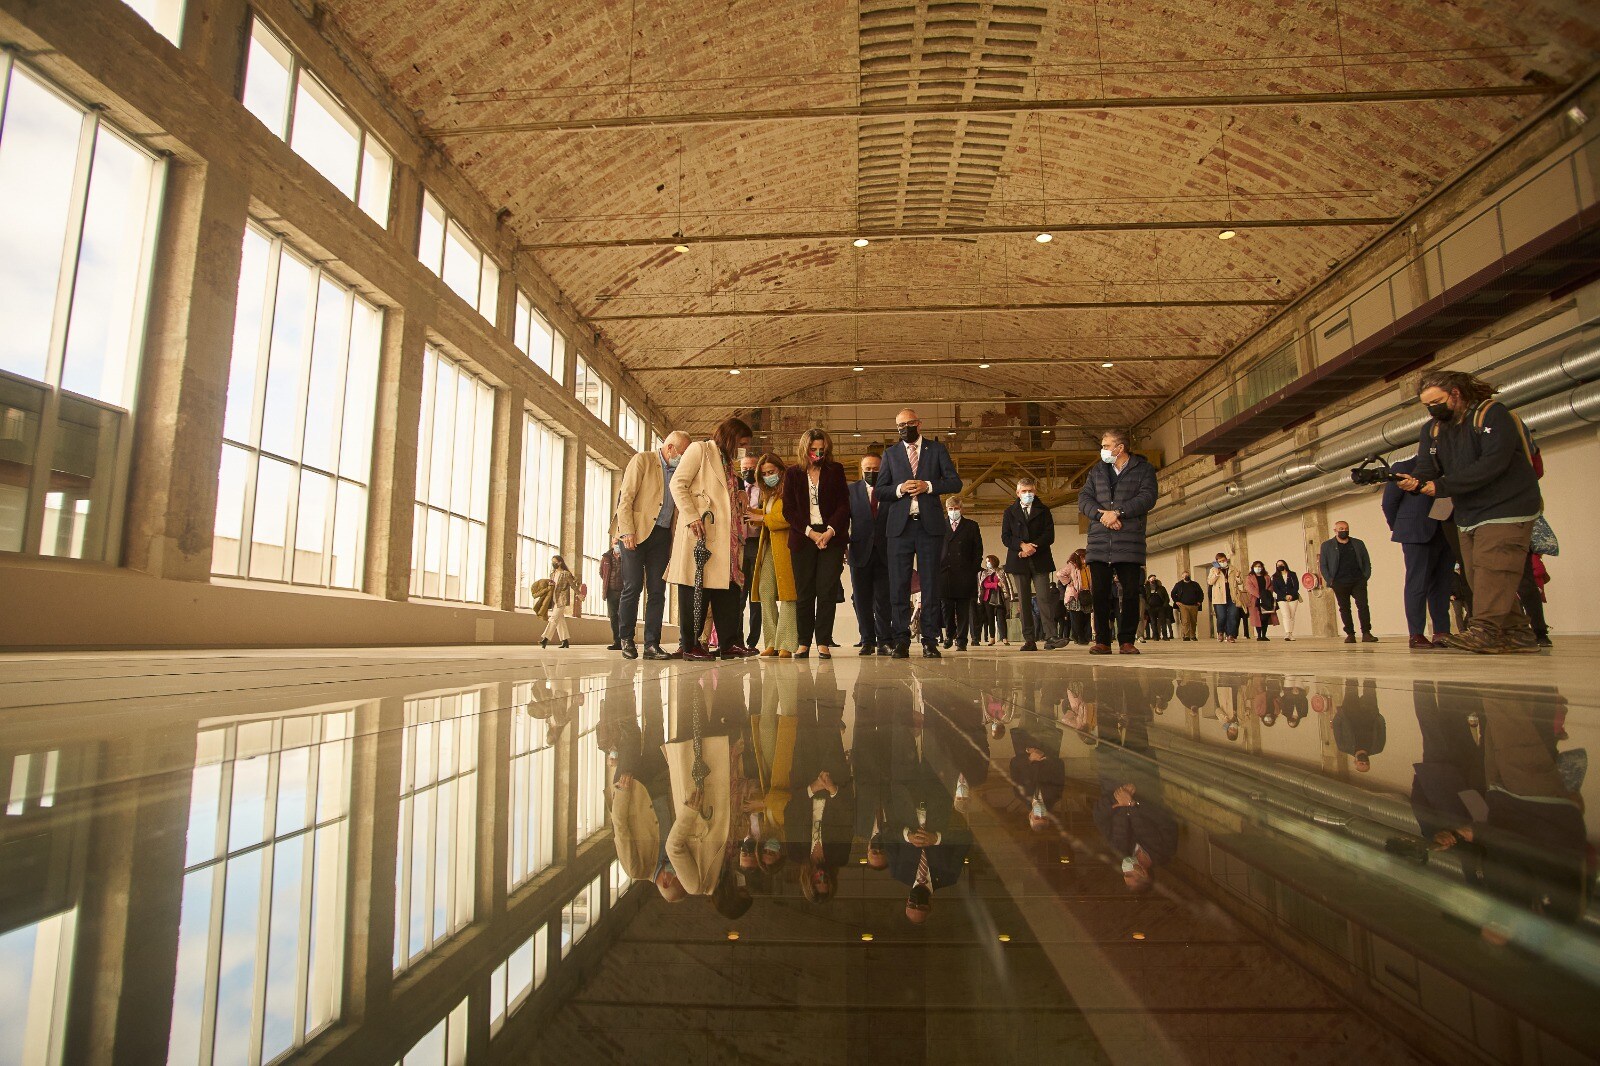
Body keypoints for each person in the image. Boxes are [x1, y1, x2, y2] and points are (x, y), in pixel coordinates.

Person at [1398, 370, 1543, 654]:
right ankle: (1516, 633)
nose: (1432, 409)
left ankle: (1485, 631)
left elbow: (1493, 463)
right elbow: (1428, 468)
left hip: (1507, 506)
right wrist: (1416, 483)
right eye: (1427, 405)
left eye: (1437, 401)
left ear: (1456, 393)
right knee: (1478, 575)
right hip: (1468, 511)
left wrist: (1442, 485)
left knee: (1494, 568)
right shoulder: (1433, 430)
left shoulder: (1492, 414)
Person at [667, 417, 758, 662]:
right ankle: (690, 644)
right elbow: (678, 484)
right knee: (694, 589)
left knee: (726, 591)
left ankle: (729, 643)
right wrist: (691, 515)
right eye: (742, 442)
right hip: (701, 533)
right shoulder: (700, 449)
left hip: (724, 538)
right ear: (730, 437)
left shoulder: (728, 463)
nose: (745, 449)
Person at [875, 408, 963, 659]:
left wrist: (929, 486)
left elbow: (954, 482)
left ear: (919, 424)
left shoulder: (936, 450)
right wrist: (900, 488)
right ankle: (901, 638)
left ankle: (930, 640)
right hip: (899, 529)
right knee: (899, 584)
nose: (904, 428)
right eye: (899, 425)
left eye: (908, 424)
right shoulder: (890, 454)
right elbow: (880, 490)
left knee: (931, 584)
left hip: (929, 526)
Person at [1078, 429, 1160, 655]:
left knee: (1131, 592)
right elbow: (1084, 499)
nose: (1102, 450)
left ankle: (1127, 640)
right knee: (1100, 594)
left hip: (1129, 540)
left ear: (1120, 448)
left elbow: (1147, 497)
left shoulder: (1143, 470)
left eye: (1106, 445)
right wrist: (1102, 515)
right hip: (1099, 541)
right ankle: (1103, 640)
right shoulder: (1097, 471)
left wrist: (1119, 512)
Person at [613, 430, 690, 660]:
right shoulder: (642, 460)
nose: (683, 459)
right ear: (670, 449)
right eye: (682, 453)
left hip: (662, 536)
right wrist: (626, 530)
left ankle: (651, 644)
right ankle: (625, 639)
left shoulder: (679, 472)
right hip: (635, 533)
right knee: (633, 587)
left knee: (658, 590)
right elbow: (625, 497)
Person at [782, 429, 850, 660]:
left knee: (826, 590)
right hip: (803, 537)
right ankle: (803, 642)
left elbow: (844, 506)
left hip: (832, 536)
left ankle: (823, 642)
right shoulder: (792, 473)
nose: (818, 453)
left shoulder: (836, 470)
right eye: (813, 450)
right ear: (805, 449)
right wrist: (811, 533)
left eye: (822, 450)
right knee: (805, 592)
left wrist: (829, 532)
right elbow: (788, 509)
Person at [1383, 453, 1455, 649]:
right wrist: (1400, 527)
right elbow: (1389, 503)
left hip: (1445, 530)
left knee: (1442, 584)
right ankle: (1416, 634)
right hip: (1415, 533)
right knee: (1417, 583)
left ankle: (1442, 632)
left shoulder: (1449, 467)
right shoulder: (1404, 466)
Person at [1001, 477, 1062, 652]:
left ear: (1035, 492)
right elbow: (1006, 537)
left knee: (1044, 599)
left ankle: (1051, 636)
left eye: (1030, 491)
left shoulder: (1044, 510)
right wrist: (1021, 545)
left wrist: (1032, 547)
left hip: (1040, 559)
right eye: (1024, 491)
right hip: (1018, 560)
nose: (1028, 494)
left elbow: (1049, 535)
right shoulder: (1009, 512)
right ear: (1018, 493)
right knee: (1024, 601)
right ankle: (1029, 639)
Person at [750, 453, 799, 658]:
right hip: (769, 545)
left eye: (771, 472)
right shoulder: (768, 493)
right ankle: (771, 641)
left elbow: (788, 517)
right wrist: (749, 510)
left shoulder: (791, 489)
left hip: (787, 545)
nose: (769, 476)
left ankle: (786, 643)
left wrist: (762, 516)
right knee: (765, 590)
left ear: (781, 469)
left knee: (788, 594)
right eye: (764, 473)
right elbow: (765, 515)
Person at [847, 453, 892, 656]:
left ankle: (884, 640)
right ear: (861, 469)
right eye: (868, 469)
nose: (871, 472)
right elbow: (843, 522)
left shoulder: (890, 490)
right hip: (859, 552)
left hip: (886, 553)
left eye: (875, 469)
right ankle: (867, 640)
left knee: (884, 599)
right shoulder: (851, 491)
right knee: (861, 599)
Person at [1318, 519, 1377, 643]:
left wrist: (1365, 576)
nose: (1344, 531)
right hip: (1339, 582)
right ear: (1335, 531)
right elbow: (1323, 565)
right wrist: (1330, 580)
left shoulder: (1358, 543)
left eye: (1346, 529)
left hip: (1358, 580)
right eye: (1341, 529)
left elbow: (1366, 561)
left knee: (1363, 606)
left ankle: (1366, 633)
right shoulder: (1327, 545)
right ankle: (1350, 634)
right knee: (1344, 608)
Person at [939, 497, 983, 650]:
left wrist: (974, 568)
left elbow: (978, 550)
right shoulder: (940, 526)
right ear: (946, 509)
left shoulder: (971, 526)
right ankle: (950, 634)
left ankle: (962, 639)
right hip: (945, 573)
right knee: (947, 608)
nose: (953, 512)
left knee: (964, 608)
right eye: (950, 509)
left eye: (956, 508)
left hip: (965, 573)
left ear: (961, 509)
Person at [739, 453, 764, 649]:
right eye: (744, 468)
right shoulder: (736, 489)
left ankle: (752, 642)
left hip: (757, 543)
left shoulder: (764, 490)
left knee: (755, 596)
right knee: (737, 596)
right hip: (738, 545)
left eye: (751, 468)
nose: (747, 471)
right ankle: (735, 639)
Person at [1056, 548, 1092, 646]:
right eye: (1083, 556)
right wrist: (1068, 582)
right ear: (1079, 557)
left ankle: (1083, 637)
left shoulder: (1088, 567)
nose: (1085, 559)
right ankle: (1079, 637)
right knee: (1077, 618)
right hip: (1074, 595)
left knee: (1086, 616)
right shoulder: (1071, 566)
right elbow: (1059, 574)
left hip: (1087, 594)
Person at [1207, 553, 1243, 643]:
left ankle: (1230, 635)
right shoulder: (1213, 570)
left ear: (1226, 559)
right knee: (1221, 617)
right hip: (1219, 597)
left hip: (1232, 596)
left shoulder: (1233, 568)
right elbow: (1210, 582)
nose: (1222, 562)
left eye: (1223, 560)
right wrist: (1216, 574)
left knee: (1233, 616)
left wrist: (1238, 576)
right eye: (1220, 561)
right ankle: (1220, 632)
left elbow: (1240, 582)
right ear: (1217, 562)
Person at [976, 555, 1009, 645]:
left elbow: (1004, 583)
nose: (987, 563)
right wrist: (995, 584)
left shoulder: (1001, 571)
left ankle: (1004, 637)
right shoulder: (984, 573)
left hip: (999, 597)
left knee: (1001, 617)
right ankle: (992, 638)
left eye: (989, 561)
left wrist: (999, 585)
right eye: (986, 562)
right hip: (987, 598)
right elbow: (985, 584)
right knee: (990, 618)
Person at [1244, 560, 1277, 641]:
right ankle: (1259, 635)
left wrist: (1266, 594)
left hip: (1266, 599)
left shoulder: (1267, 577)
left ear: (1262, 567)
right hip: (1255, 599)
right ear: (1253, 568)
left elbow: (1270, 586)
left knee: (1265, 616)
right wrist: (1259, 595)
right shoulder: (1249, 577)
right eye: (1256, 566)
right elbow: (1249, 588)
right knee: (1257, 617)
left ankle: (1264, 635)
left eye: (1259, 566)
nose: (1258, 568)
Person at [1269, 560, 1302, 641]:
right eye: (1278, 565)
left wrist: (1291, 594)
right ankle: (1287, 633)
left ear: (1285, 565)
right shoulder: (1275, 576)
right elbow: (1276, 589)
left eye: (1281, 564)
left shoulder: (1292, 574)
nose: (1280, 566)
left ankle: (1291, 633)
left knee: (1291, 616)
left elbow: (1296, 586)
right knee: (1285, 615)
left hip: (1293, 598)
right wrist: (1284, 596)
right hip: (1282, 599)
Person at [599, 542, 624, 649]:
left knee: (623, 616)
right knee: (613, 616)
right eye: (615, 543)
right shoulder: (606, 557)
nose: (617, 545)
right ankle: (617, 641)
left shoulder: (626, 556)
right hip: (611, 591)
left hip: (624, 591)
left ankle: (625, 640)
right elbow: (601, 572)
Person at [1170, 569, 1202, 640]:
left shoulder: (1195, 584)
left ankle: (1193, 635)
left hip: (1194, 605)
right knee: (1185, 620)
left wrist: (1199, 601)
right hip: (1183, 605)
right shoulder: (1178, 585)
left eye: (1187, 575)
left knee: (1193, 621)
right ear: (1182, 577)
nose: (1186, 576)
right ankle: (1186, 635)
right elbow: (1173, 593)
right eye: (1184, 576)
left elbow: (1201, 593)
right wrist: (1176, 601)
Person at [1141, 575, 1173, 641]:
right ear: (1149, 580)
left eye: (1154, 578)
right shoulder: (1146, 588)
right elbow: (1143, 598)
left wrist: (1164, 605)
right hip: (1151, 608)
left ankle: (1165, 636)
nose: (1153, 579)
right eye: (1151, 578)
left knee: (1163, 622)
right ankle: (1156, 636)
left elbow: (1166, 597)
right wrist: (1147, 606)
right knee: (1153, 622)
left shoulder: (1161, 588)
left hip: (1161, 607)